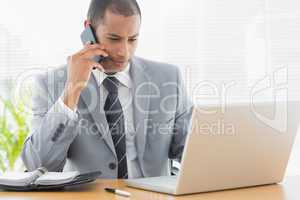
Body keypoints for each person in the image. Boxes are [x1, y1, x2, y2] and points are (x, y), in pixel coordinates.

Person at [21, 0, 193, 179]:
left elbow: (191, 152)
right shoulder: (50, 84)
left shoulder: (169, 77)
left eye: (132, 39)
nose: (124, 52)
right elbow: (38, 165)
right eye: (114, 39)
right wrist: (71, 92)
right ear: (89, 30)